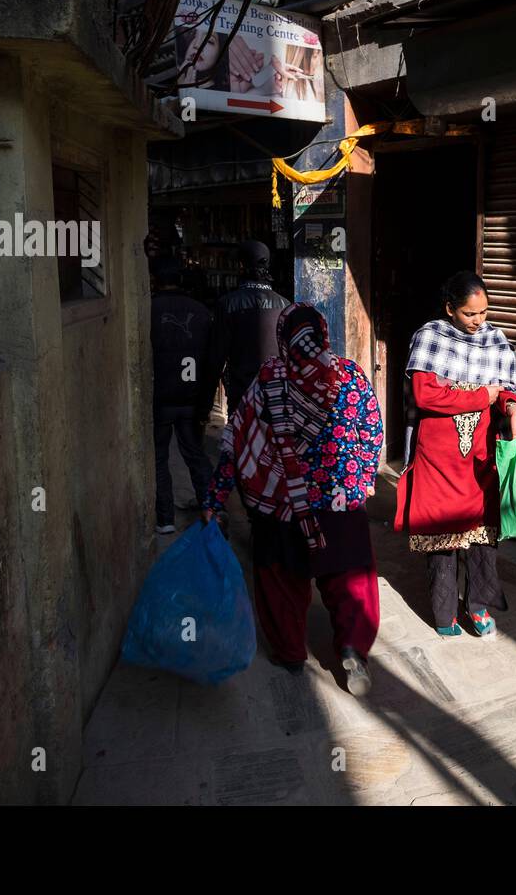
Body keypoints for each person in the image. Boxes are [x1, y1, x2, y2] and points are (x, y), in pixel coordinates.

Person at [202, 303, 382, 695]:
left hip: (283, 507)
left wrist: (215, 499)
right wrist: (361, 481)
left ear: (283, 340)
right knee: (350, 582)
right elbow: (372, 432)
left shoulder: (268, 379)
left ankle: (289, 652)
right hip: (339, 505)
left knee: (281, 582)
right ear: (324, 334)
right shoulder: (349, 376)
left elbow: (234, 443)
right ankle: (352, 650)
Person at [394, 270, 516, 638]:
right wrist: (478, 397)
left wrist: (514, 408)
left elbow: (506, 390)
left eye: (484, 312)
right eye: (470, 314)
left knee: (483, 540)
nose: (478, 321)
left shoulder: (496, 340)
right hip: (437, 460)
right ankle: (444, 613)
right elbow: (425, 396)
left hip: (479, 460)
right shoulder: (430, 337)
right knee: (442, 541)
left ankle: (479, 607)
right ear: (450, 309)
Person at [149, 242, 213, 534]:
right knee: (195, 456)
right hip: (190, 397)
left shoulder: (148, 310)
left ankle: (165, 519)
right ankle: (210, 509)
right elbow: (211, 358)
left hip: (160, 398)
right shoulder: (200, 312)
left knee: (159, 457)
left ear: (154, 279)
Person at [199, 239, 290, 424]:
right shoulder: (285, 305)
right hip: (277, 394)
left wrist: (204, 405)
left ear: (241, 265)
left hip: (242, 394)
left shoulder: (228, 303)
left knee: (242, 447)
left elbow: (216, 358)